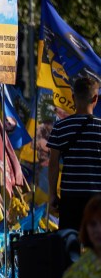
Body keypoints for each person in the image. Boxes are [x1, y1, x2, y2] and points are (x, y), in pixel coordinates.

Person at [48, 76, 101, 231]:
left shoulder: (60, 127)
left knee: (69, 246)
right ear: (95, 98)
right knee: (97, 247)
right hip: (97, 199)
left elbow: (53, 165)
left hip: (70, 198)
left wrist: (52, 195)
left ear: (73, 97)